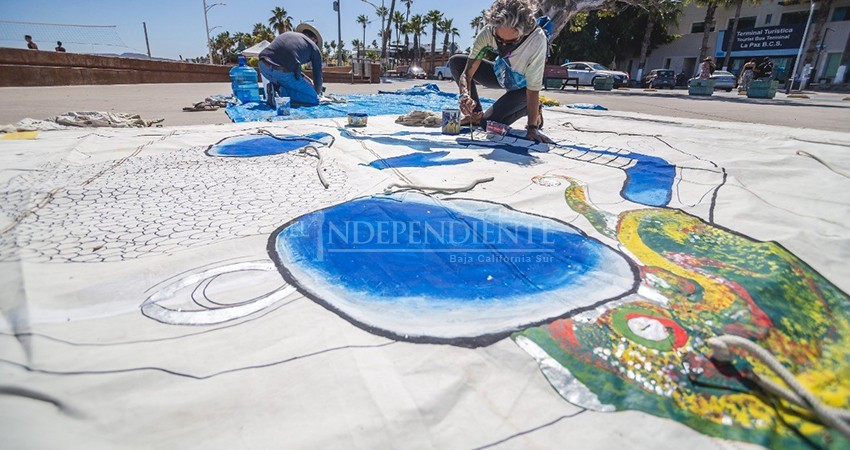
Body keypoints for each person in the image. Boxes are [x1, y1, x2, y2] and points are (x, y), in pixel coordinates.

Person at [450, 0, 551, 143]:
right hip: (501, 74)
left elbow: (533, 89)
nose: (503, 46)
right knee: (456, 62)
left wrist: (532, 127)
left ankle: (529, 108)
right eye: (499, 39)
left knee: (488, 124)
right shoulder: (487, 32)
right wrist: (464, 95)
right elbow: (467, 73)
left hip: (523, 89)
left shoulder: (537, 40)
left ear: (523, 33)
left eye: (511, 42)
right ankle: (475, 113)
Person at [258, 28, 323, 107]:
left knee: (287, 85)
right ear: (314, 40)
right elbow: (318, 79)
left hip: (263, 67)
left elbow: (288, 64)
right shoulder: (314, 48)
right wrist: (316, 93)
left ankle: (275, 90)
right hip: (281, 72)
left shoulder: (288, 35)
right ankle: (277, 97)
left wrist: (306, 78)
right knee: (313, 100)